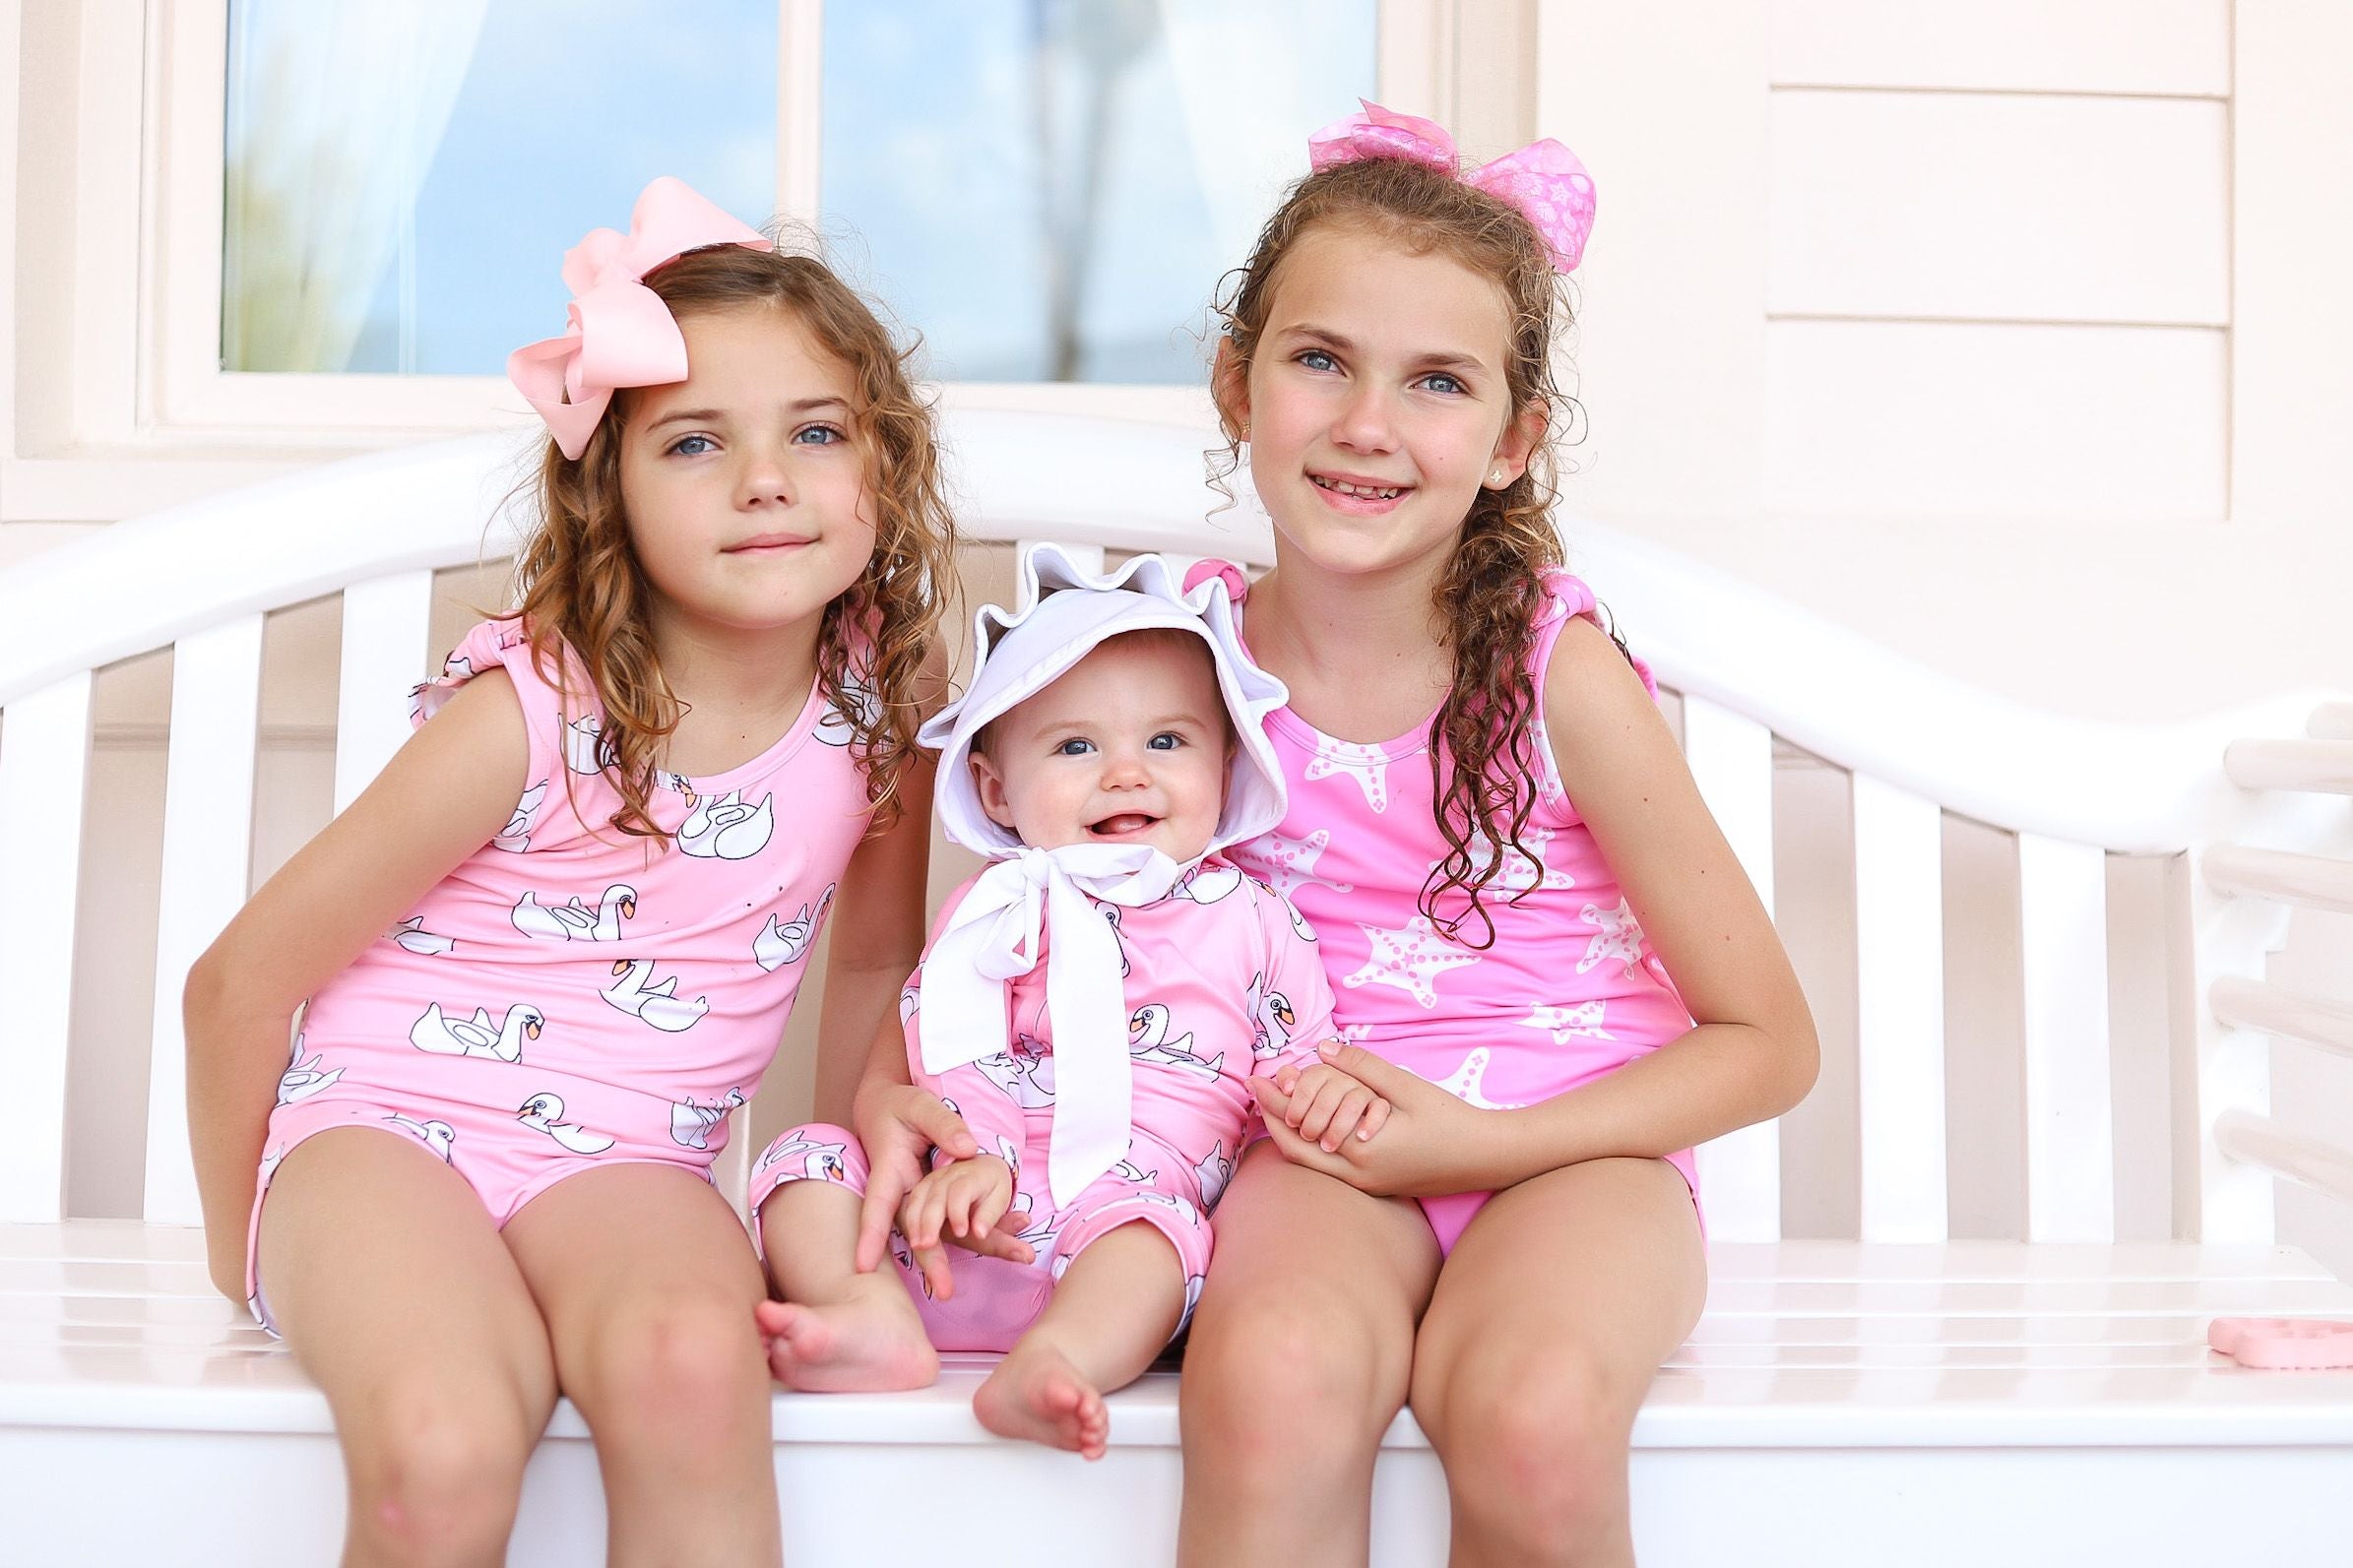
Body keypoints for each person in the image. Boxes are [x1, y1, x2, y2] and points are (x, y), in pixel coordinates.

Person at [182, 175, 958, 1567]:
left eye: (818, 431)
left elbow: (870, 960)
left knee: (689, 1365)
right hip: (383, 1129)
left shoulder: (880, 701)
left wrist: (846, 1216)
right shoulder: (530, 710)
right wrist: (248, 1247)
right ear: (609, 491)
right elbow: (237, 982)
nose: (766, 478)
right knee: (448, 1432)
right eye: (694, 442)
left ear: (884, 468)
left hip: (632, 1160)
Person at [1168, 101, 1823, 1568]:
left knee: (1527, 1405)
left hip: (1571, 1148)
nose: (1366, 425)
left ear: (1513, 438)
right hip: (1323, 1146)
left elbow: (1767, 1039)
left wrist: (1494, 1137)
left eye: (1437, 383)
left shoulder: (1552, 670)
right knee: (1269, 1377)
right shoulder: (1178, 655)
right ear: (1235, 382)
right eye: (1319, 359)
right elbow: (1052, 900)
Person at [747, 544, 1381, 1461]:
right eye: (1077, 746)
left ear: (1226, 762)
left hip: (1113, 1230)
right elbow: (941, 1056)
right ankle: (867, 1315)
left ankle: (1056, 1361)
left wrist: (1327, 1098)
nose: (1126, 772)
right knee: (805, 1160)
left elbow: (1295, 1068)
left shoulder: (1253, 917)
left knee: (1159, 1237)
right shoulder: (993, 913)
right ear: (998, 791)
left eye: (1167, 740)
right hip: (949, 1230)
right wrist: (969, 1160)